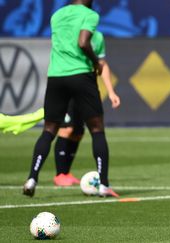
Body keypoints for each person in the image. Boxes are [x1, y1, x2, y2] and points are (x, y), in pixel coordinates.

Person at [22, 0, 119, 197]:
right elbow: (83, 42)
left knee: (49, 130)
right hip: (81, 75)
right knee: (97, 130)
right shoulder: (90, 15)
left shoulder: (56, 15)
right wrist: (95, 63)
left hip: (56, 76)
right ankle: (103, 185)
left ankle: (31, 178)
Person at [53, 30, 121, 187]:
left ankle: (66, 173)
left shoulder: (97, 37)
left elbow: (102, 64)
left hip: (86, 88)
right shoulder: (69, 35)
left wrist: (110, 92)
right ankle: (59, 174)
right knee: (67, 129)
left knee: (78, 132)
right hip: (68, 87)